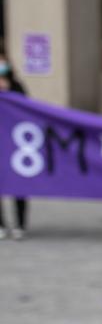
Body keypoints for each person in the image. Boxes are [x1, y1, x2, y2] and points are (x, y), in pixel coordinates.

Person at [0, 50, 29, 240]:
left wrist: (8, 91)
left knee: (19, 184)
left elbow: (28, 110)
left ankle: (20, 224)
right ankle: (1, 224)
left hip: (16, 144)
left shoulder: (17, 86)